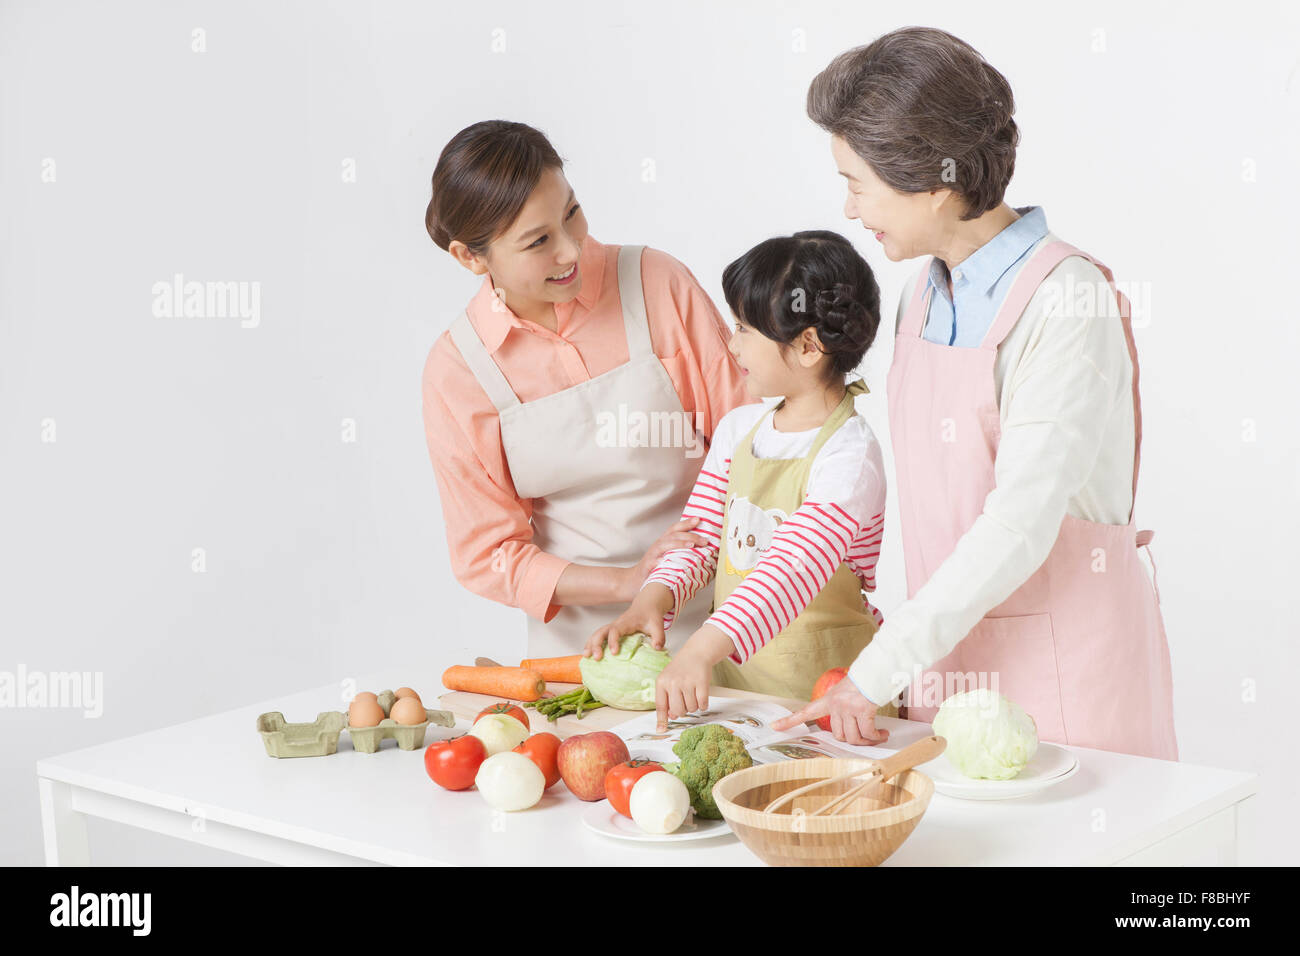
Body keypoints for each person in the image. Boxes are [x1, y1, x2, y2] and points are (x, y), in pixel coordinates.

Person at [774, 27, 1179, 760]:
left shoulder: (1067, 302)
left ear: (935, 183)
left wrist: (875, 671)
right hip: (947, 675)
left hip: (1069, 679)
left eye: (857, 183)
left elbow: (1020, 522)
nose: (847, 209)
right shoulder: (919, 300)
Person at [422, 120, 749, 657]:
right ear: (470, 257)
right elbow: (488, 552)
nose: (572, 250)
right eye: (538, 242)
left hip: (728, 620)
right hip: (579, 654)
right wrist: (626, 583)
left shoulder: (657, 284)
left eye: (571, 213)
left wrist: (676, 578)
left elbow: (753, 446)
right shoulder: (458, 371)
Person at [585, 231, 898, 733]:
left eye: (745, 330)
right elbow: (702, 537)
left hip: (831, 696)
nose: (732, 345)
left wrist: (701, 649)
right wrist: (654, 597)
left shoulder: (850, 456)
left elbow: (792, 567)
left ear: (808, 346)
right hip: (738, 689)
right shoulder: (737, 432)